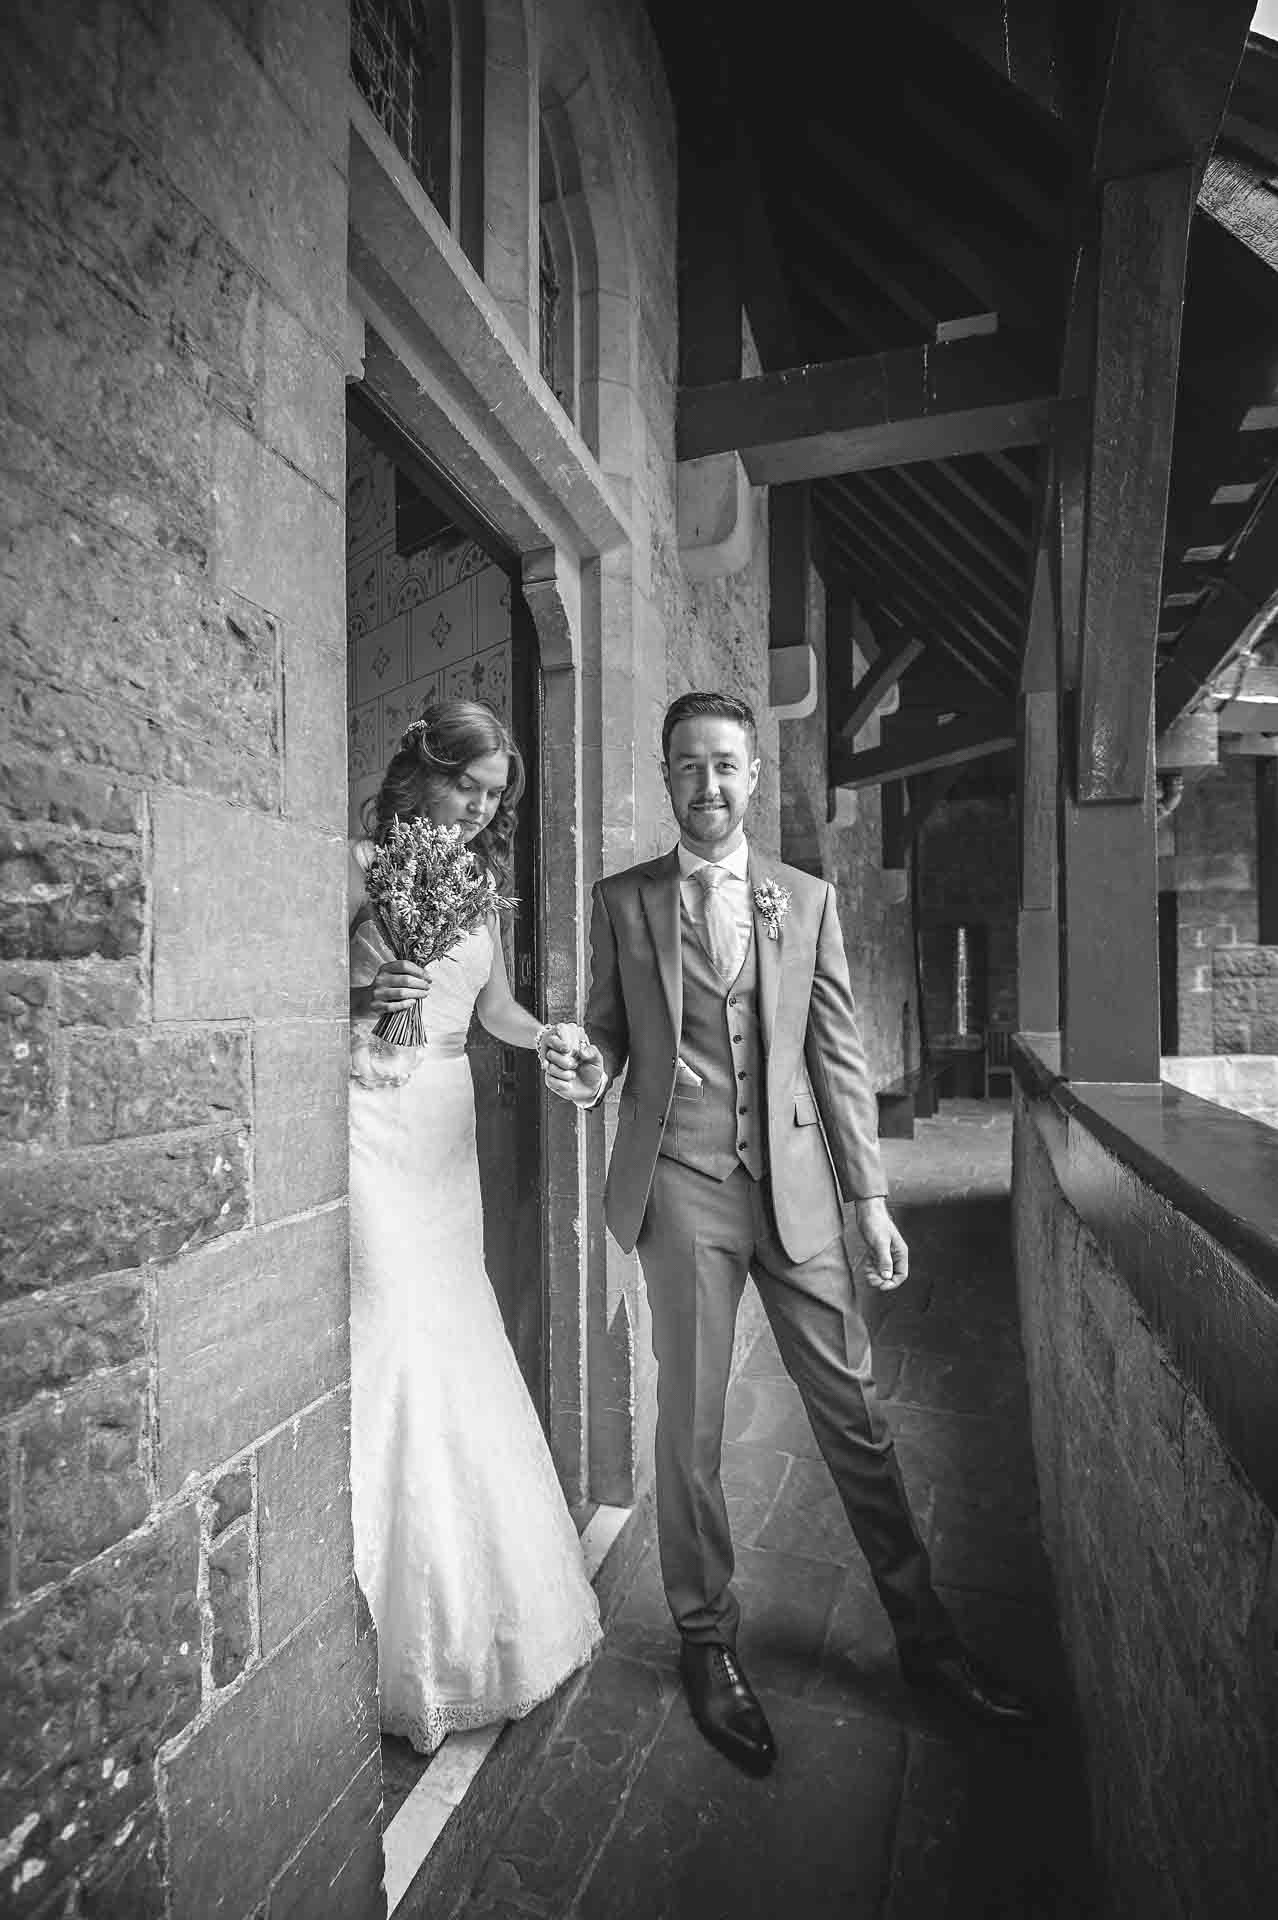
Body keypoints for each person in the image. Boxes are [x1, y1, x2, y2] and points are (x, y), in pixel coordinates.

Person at [543, 689, 1031, 1776]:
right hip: (682, 1186)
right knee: (694, 1425)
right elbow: (608, 1041)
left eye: (724, 766)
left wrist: (868, 1198)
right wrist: (584, 1071)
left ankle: (927, 1640)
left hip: (801, 1187)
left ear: (752, 777)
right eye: (686, 768)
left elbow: (840, 1055)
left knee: (855, 1411)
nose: (706, 786)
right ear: (666, 779)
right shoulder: (623, 901)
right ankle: (705, 1641)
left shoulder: (805, 900)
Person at [348, 698, 600, 1753]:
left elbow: (493, 1011)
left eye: (497, 796)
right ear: (421, 774)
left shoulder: (480, 889)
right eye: (471, 786)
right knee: (389, 1327)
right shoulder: (357, 864)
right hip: (368, 1105)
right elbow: (297, 990)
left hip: (445, 1119)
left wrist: (556, 1038)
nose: (482, 808)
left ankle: (478, 1609)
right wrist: (366, 983)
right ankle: (368, 1608)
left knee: (456, 1325)